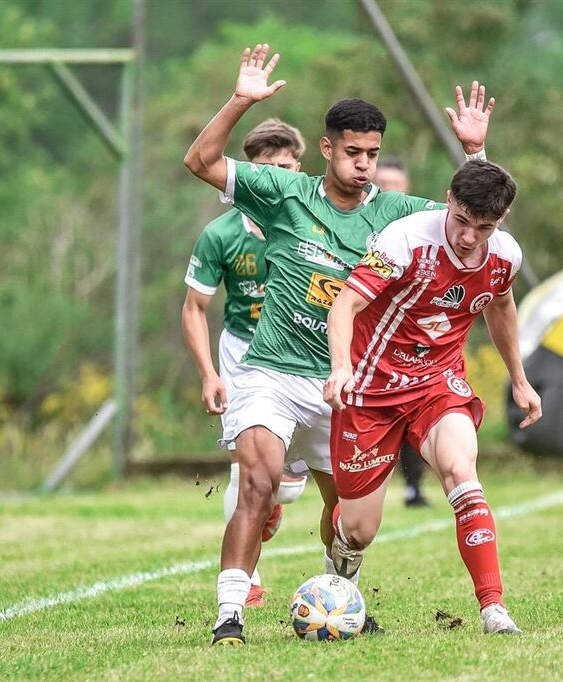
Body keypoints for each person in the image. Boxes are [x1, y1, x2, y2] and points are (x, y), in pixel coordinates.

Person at [182, 43, 494, 645]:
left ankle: (337, 594)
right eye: (352, 153)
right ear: (326, 149)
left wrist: (476, 153)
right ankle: (229, 616)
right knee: (259, 481)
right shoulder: (281, 192)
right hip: (269, 370)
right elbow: (200, 159)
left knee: (351, 520)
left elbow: (474, 218)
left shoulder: (399, 215)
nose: (363, 165)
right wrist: (241, 100)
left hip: (345, 381)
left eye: (372, 155)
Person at [323, 159, 542, 636]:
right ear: (448, 199)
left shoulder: (504, 255)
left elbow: (501, 306)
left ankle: (494, 610)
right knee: (359, 529)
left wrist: (519, 379)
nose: (468, 237)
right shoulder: (404, 241)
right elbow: (346, 303)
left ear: (500, 221)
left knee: (462, 473)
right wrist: (340, 367)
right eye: (461, 221)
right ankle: (337, 580)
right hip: (369, 389)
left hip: (436, 384)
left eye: (483, 227)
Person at [181, 118, 312, 609]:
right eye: (264, 170)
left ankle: (276, 504)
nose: (275, 179)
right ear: (247, 172)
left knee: (294, 483)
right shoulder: (221, 234)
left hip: (307, 350)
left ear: (298, 168)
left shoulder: (315, 223)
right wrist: (209, 373)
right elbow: (195, 308)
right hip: (245, 354)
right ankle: (248, 578)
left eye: (284, 168)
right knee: (246, 468)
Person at [372, 157, 429, 509]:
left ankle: (413, 486)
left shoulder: (423, 227)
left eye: (397, 184)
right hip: (367, 335)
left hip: (411, 338)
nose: (390, 190)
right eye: (384, 184)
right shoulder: (364, 224)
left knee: (413, 413)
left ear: (406, 189)